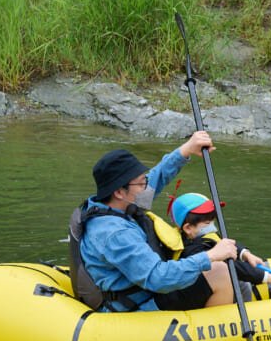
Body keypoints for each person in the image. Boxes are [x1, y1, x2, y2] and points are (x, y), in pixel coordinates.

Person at [71, 131, 241, 312]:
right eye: (140, 183)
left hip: (144, 289)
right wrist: (211, 256)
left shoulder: (112, 202)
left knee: (223, 272)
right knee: (220, 272)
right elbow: (158, 278)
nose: (145, 186)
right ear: (119, 192)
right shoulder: (115, 234)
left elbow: (155, 179)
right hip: (134, 307)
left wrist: (186, 150)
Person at [170, 192, 271, 290]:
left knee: (243, 285)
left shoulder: (199, 235)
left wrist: (246, 254)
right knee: (240, 282)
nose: (212, 226)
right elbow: (233, 267)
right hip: (202, 289)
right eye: (208, 223)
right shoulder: (194, 250)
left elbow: (223, 242)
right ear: (187, 228)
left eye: (213, 221)